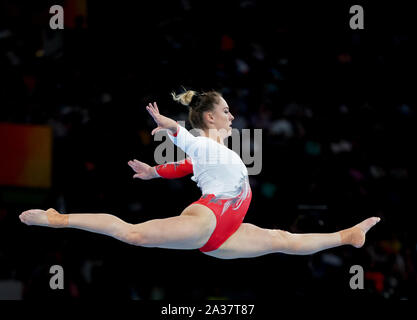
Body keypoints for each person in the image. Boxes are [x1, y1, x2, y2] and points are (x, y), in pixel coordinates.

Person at [19, 90, 380, 259]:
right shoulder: (206, 144)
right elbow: (192, 148)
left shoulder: (217, 153)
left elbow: (191, 163)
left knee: (284, 241)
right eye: (226, 111)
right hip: (208, 220)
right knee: (133, 235)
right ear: (210, 117)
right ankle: (58, 218)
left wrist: (156, 172)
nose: (232, 116)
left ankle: (347, 236)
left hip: (222, 237)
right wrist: (169, 126)